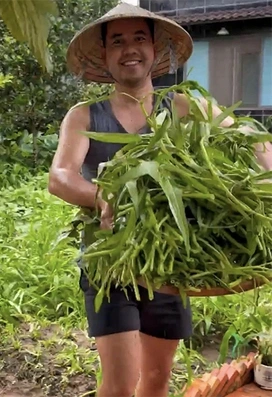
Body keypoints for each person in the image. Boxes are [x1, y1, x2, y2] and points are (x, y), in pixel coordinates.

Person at [49, 3, 272, 397]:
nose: (129, 48)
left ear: (154, 50)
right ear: (105, 54)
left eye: (139, 38)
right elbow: (60, 177)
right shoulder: (84, 115)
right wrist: (105, 197)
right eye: (117, 41)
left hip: (172, 263)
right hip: (111, 262)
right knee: (119, 385)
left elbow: (251, 143)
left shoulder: (186, 106)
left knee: (155, 380)